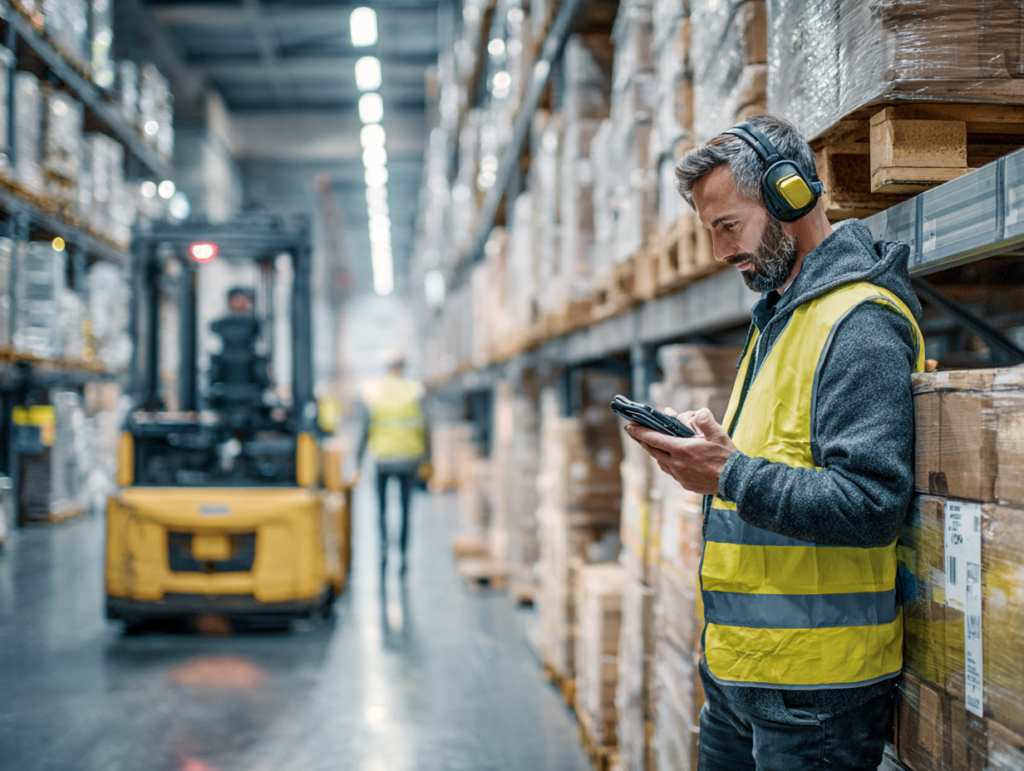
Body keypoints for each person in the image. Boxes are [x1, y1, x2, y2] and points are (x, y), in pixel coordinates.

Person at [624, 115, 924, 770]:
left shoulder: (858, 323)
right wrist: (711, 453)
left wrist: (728, 474)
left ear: (790, 197)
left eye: (728, 226)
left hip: (812, 695)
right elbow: (778, 459)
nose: (718, 251)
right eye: (710, 231)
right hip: (740, 674)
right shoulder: (780, 319)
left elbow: (871, 504)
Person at [357, 353, 429, 576]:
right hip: (409, 459)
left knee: (382, 509)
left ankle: (383, 549)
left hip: (383, 460)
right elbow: (426, 428)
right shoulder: (415, 391)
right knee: (406, 509)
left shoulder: (375, 392)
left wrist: (358, 461)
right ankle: (404, 556)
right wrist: (428, 460)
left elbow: (365, 428)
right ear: (403, 368)